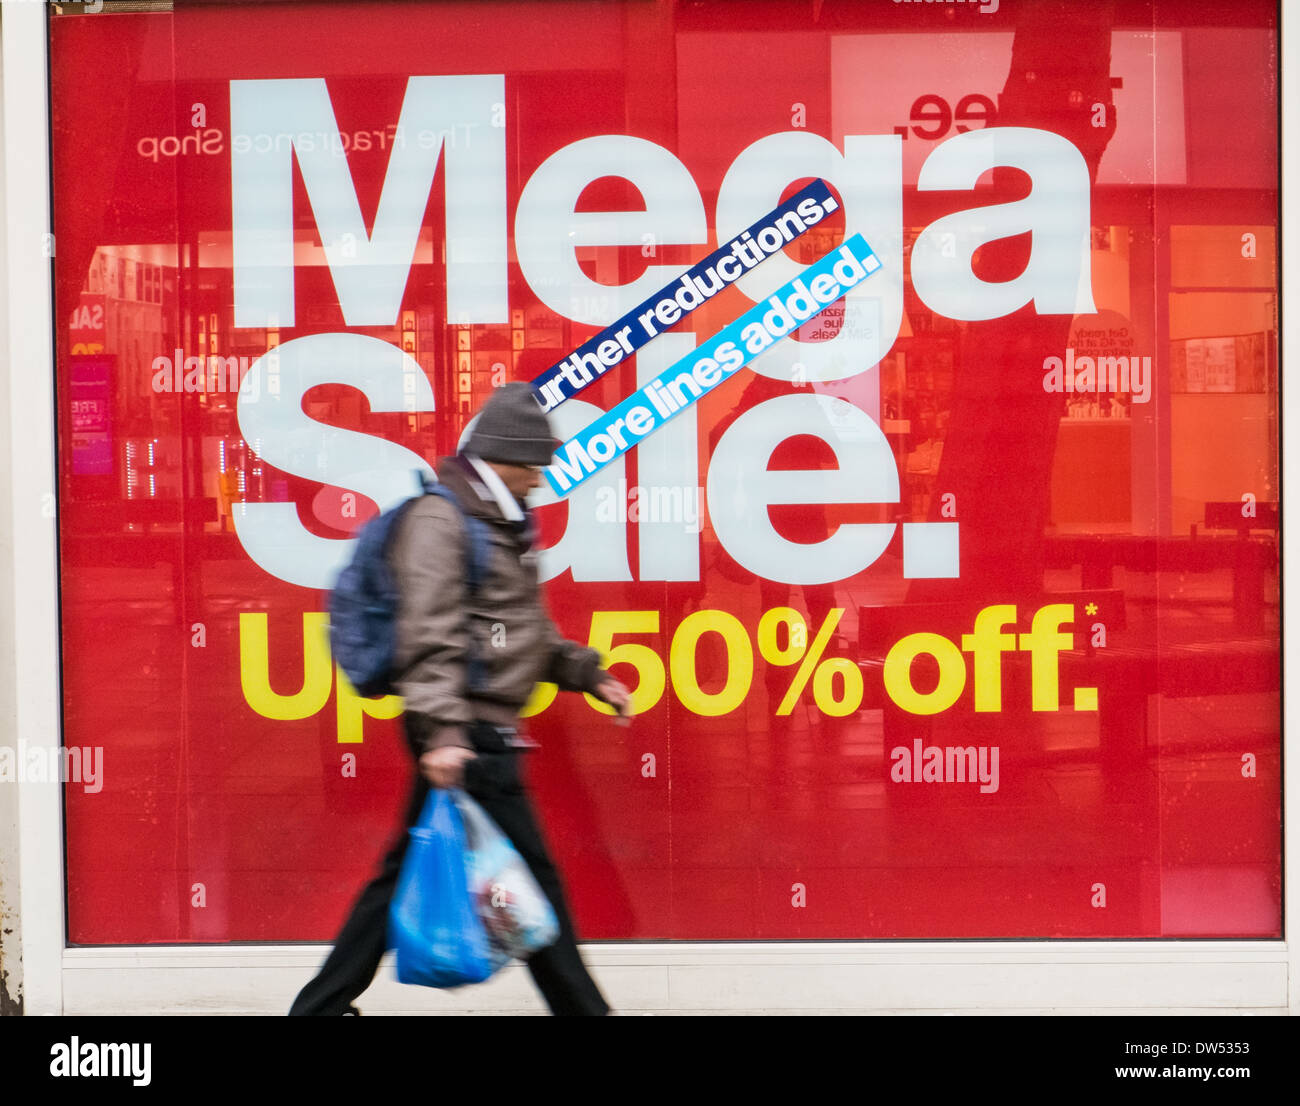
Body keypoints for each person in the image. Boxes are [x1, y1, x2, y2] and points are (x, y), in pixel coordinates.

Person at [290, 381, 632, 1016]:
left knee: (406, 876)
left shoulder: (497, 524)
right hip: (469, 733)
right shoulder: (443, 522)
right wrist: (445, 731)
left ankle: (318, 1010)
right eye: (537, 467)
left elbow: (518, 632)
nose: (542, 481)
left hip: (473, 730)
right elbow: (431, 632)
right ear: (509, 458)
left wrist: (588, 673)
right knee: (536, 884)